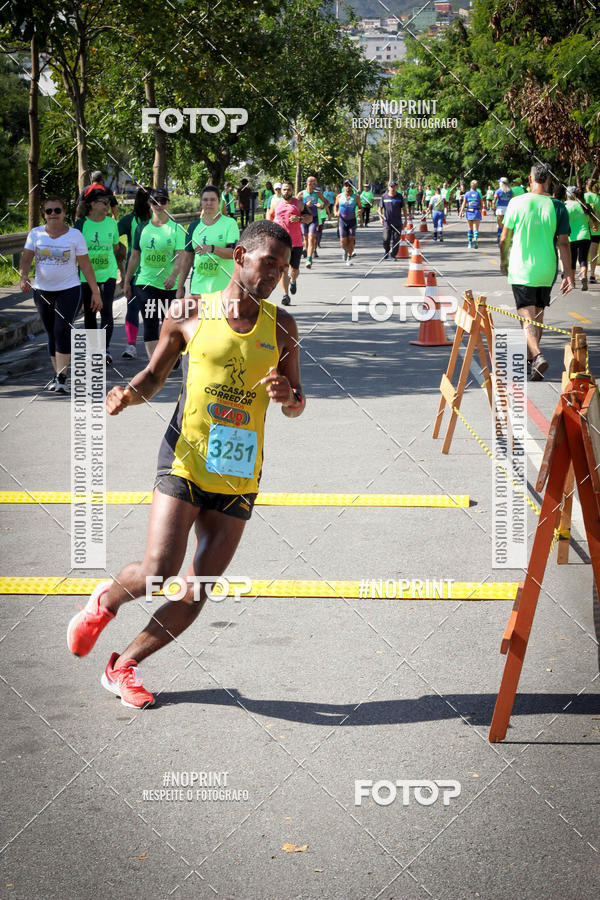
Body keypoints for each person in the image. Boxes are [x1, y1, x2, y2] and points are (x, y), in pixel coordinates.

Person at [66, 220, 305, 707]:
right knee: (160, 568)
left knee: (198, 587)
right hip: (185, 458)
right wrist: (127, 395)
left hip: (239, 472)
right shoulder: (190, 311)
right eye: (268, 264)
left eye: (282, 269)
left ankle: (124, 666)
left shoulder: (282, 325)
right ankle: (105, 601)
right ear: (240, 256)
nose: (274, 276)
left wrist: (289, 395)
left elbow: (297, 401)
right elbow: (154, 376)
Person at [20, 195, 101, 393]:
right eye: (49, 211)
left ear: (64, 213)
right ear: (44, 215)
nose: (53, 214)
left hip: (69, 289)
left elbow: (86, 266)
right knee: (51, 333)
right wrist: (23, 277)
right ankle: (57, 375)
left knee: (61, 330)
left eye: (57, 210)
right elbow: (26, 259)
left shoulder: (74, 235)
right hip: (42, 290)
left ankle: (62, 377)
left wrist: (95, 292)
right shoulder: (36, 234)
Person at [500, 162, 573, 380]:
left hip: (522, 269)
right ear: (549, 180)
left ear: (530, 180)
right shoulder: (558, 206)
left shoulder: (516, 202)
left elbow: (504, 237)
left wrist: (504, 261)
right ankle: (532, 363)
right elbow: (564, 243)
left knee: (526, 317)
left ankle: (538, 356)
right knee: (538, 316)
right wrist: (568, 273)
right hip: (546, 270)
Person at [123, 187, 185, 360]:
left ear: (168, 204)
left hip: (168, 285)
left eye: (163, 201)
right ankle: (154, 364)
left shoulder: (176, 229)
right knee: (150, 323)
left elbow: (180, 256)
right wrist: (127, 281)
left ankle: (172, 357)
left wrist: (173, 276)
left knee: (169, 324)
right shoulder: (142, 228)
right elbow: (135, 255)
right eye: (155, 201)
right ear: (150, 204)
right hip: (145, 283)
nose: (159, 205)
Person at [74, 188, 120, 365]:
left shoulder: (112, 223)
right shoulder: (80, 225)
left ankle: (104, 350)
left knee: (106, 310)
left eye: (109, 203)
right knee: (90, 313)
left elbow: (115, 247)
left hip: (107, 274)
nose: (108, 205)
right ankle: (93, 350)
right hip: (86, 276)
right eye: (104, 202)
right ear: (92, 204)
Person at [174, 184, 240, 302]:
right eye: (205, 200)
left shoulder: (230, 224)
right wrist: (180, 287)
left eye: (212, 200)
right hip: (198, 290)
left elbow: (233, 253)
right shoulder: (194, 226)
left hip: (223, 290)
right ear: (201, 202)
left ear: (219, 201)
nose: (209, 203)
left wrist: (213, 248)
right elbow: (187, 259)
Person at [118, 188, 152, 358]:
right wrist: (120, 252)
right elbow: (110, 236)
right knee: (137, 309)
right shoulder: (130, 220)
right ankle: (133, 345)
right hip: (137, 273)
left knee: (147, 311)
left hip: (150, 274)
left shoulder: (156, 220)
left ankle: (138, 346)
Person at [267, 178, 312, 304]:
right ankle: (285, 295)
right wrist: (270, 226)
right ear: (281, 191)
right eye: (284, 189)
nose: (286, 192)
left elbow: (310, 218)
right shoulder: (276, 203)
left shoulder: (298, 204)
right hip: (281, 242)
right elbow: (269, 215)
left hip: (296, 242)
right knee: (283, 269)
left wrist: (299, 218)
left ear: (293, 191)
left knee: (294, 270)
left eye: (289, 189)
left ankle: (293, 281)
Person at [297, 175, 330, 268]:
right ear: (308, 183)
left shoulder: (318, 193)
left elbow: (327, 203)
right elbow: (294, 207)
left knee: (312, 238)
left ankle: (309, 259)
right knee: (306, 239)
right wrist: (305, 205)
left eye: (315, 183)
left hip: (313, 219)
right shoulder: (301, 194)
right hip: (303, 219)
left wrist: (322, 206)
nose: (315, 185)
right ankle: (306, 251)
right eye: (314, 183)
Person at [565, 186, 594, 291]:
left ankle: (572, 282)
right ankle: (583, 277)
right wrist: (593, 226)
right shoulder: (584, 206)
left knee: (572, 260)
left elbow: (565, 221)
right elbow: (590, 221)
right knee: (583, 259)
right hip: (585, 236)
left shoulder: (567, 206)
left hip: (572, 237)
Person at [335, 179, 363, 265]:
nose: (348, 187)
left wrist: (360, 211)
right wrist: (336, 212)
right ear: (343, 187)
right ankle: (345, 250)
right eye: (346, 185)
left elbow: (361, 207)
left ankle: (349, 257)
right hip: (342, 221)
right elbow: (335, 206)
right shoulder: (339, 196)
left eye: (349, 185)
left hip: (352, 221)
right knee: (343, 243)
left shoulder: (356, 197)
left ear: (352, 186)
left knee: (351, 239)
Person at [378, 180, 404, 259]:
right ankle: (386, 250)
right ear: (388, 187)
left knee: (396, 240)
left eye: (394, 186)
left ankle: (393, 254)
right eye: (391, 186)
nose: (392, 188)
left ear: (396, 187)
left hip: (397, 222)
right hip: (387, 222)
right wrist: (381, 218)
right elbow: (379, 209)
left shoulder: (399, 196)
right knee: (386, 239)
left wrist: (406, 219)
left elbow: (404, 209)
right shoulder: (384, 196)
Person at [584, 178, 600, 284]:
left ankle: (583, 274)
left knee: (584, 253)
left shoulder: (584, 196)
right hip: (597, 229)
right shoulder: (598, 198)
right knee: (593, 253)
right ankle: (592, 275)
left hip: (586, 229)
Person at [459, 180, 483, 248]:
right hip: (476, 211)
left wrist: (461, 212)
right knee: (476, 228)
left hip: (469, 211)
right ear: (476, 186)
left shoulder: (467, 194)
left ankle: (469, 243)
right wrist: (481, 210)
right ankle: (475, 239)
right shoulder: (479, 194)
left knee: (470, 228)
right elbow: (481, 204)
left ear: (470, 186)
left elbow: (464, 203)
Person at [492, 178, 513, 245]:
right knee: (506, 226)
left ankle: (499, 240)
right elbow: (513, 200)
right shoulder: (510, 191)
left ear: (502, 183)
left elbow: (494, 201)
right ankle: (507, 240)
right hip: (508, 209)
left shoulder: (498, 191)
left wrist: (493, 208)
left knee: (500, 226)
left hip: (500, 209)